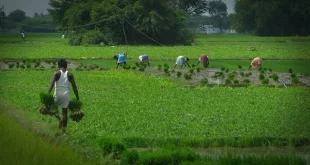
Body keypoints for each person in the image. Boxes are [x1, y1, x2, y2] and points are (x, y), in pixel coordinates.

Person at [48, 59, 79, 132]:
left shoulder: (56, 73)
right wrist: (77, 97)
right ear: (66, 66)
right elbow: (74, 87)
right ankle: (63, 131)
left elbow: (51, 85)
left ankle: (59, 119)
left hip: (57, 94)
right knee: (64, 113)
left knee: (53, 109)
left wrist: (48, 94)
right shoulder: (70, 74)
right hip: (66, 95)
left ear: (59, 66)